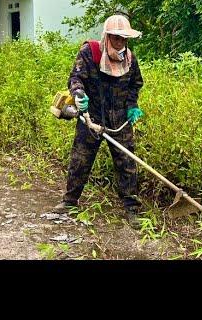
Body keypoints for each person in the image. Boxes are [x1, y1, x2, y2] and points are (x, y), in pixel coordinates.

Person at [53, 14, 145, 229]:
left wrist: (132, 105)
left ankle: (132, 208)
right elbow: (75, 78)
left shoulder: (130, 59)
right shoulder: (90, 53)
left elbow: (135, 84)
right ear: (107, 36)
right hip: (91, 117)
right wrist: (79, 95)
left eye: (124, 39)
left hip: (120, 119)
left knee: (127, 163)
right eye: (116, 38)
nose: (121, 42)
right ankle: (70, 201)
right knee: (80, 159)